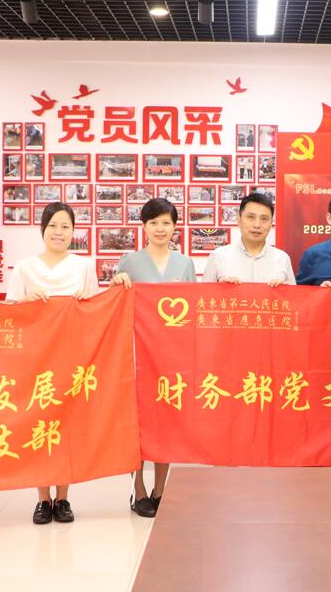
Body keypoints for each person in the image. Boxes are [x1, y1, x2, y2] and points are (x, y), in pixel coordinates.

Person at [5, 202, 99, 525]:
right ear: (43, 229)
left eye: (65, 227)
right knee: (39, 425)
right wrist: (26, 302)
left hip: (72, 358)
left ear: (74, 232)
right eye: (53, 226)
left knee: (66, 426)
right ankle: (42, 499)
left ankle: (63, 497)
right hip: (36, 358)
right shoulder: (25, 268)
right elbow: (9, 313)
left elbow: (95, 313)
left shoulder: (84, 266)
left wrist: (85, 304)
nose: (59, 232)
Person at [110, 198, 195, 518]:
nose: (160, 229)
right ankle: (139, 488)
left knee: (166, 423)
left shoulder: (184, 263)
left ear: (175, 227)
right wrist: (116, 282)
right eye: (154, 223)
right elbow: (115, 304)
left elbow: (193, 311)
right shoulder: (130, 261)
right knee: (138, 423)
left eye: (166, 223)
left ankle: (161, 489)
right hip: (137, 353)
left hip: (171, 356)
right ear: (144, 226)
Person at [202, 193, 294, 286]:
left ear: (271, 224)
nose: (257, 225)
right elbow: (204, 293)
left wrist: (284, 290)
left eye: (264, 219)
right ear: (239, 220)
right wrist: (221, 289)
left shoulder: (282, 258)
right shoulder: (218, 256)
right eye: (251, 217)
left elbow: (293, 294)